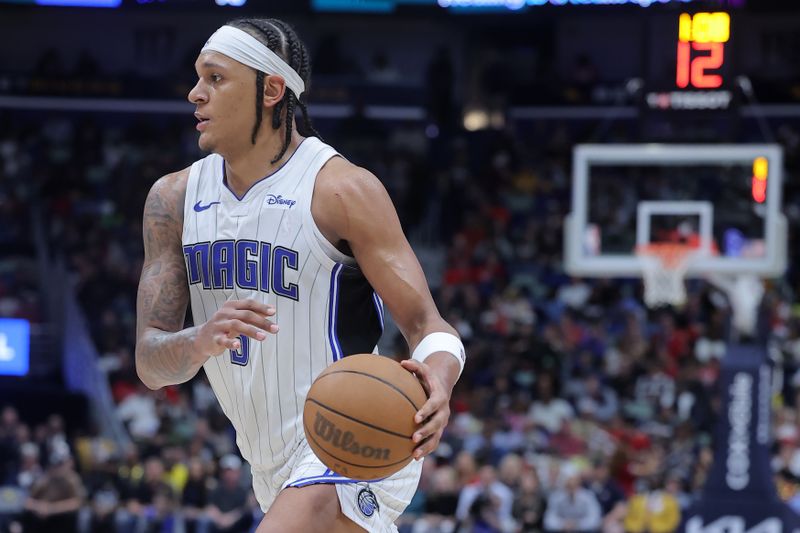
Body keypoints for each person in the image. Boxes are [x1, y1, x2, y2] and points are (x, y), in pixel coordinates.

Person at [134, 17, 464, 533]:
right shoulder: (172, 200)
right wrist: (200, 339)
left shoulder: (342, 190)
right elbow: (151, 364)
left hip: (350, 436)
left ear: (271, 89)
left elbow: (428, 324)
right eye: (198, 77)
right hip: (268, 466)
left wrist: (439, 383)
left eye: (216, 78)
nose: (195, 94)